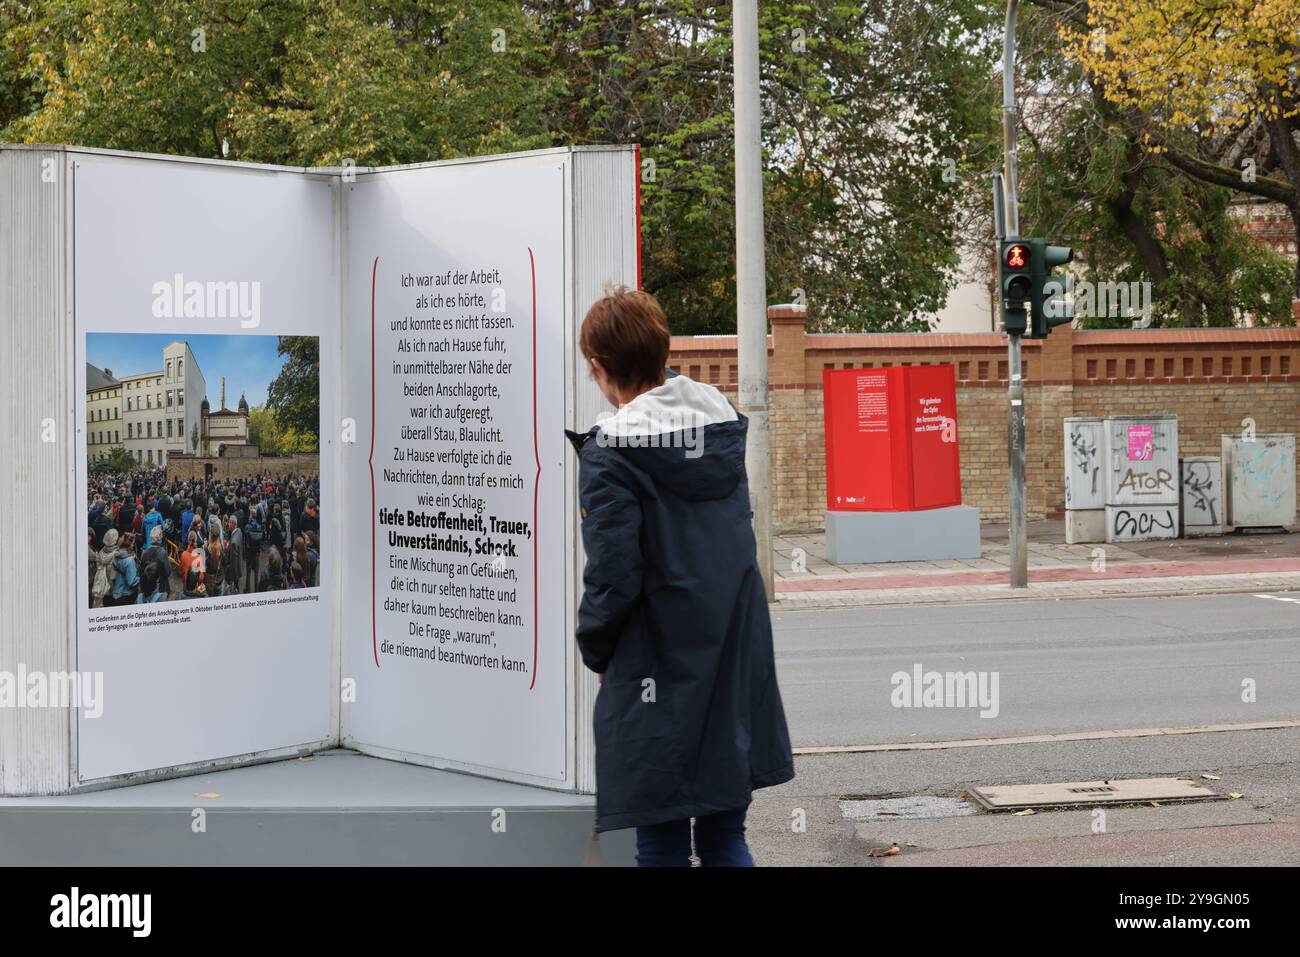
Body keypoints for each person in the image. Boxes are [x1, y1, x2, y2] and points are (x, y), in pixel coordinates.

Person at [573, 286, 794, 866]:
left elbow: (613, 579)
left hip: (654, 670)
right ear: (661, 351)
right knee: (724, 835)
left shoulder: (612, 455)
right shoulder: (717, 428)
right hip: (732, 658)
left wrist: (596, 648)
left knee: (662, 841)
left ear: (599, 368)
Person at [108, 531, 140, 606]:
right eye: (133, 543)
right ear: (130, 544)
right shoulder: (129, 561)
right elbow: (131, 582)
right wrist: (140, 579)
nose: (133, 545)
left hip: (117, 592)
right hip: (127, 595)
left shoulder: (115, 555)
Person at [140, 525, 172, 599]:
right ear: (160, 537)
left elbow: (141, 572)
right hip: (160, 588)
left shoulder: (144, 553)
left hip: (147, 588)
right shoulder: (162, 552)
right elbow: (168, 572)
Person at [224, 516, 243, 595]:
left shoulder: (233, 543)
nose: (228, 524)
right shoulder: (239, 531)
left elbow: (233, 563)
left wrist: (232, 578)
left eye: (229, 522)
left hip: (233, 572)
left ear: (232, 524)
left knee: (234, 589)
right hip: (239, 565)